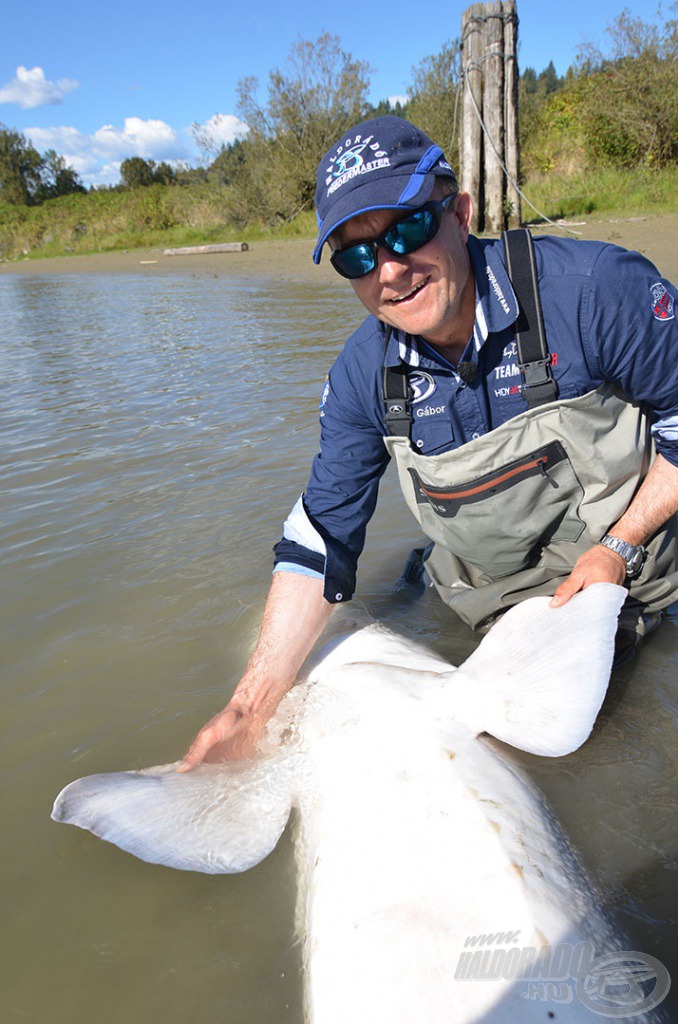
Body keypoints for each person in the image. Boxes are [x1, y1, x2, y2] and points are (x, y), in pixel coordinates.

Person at [179, 116, 678, 770]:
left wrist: (618, 547)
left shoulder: (594, 291)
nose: (389, 271)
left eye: (406, 229)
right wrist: (249, 709)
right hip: (491, 594)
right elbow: (323, 535)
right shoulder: (362, 376)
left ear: (460, 213)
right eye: (357, 256)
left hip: (638, 562)